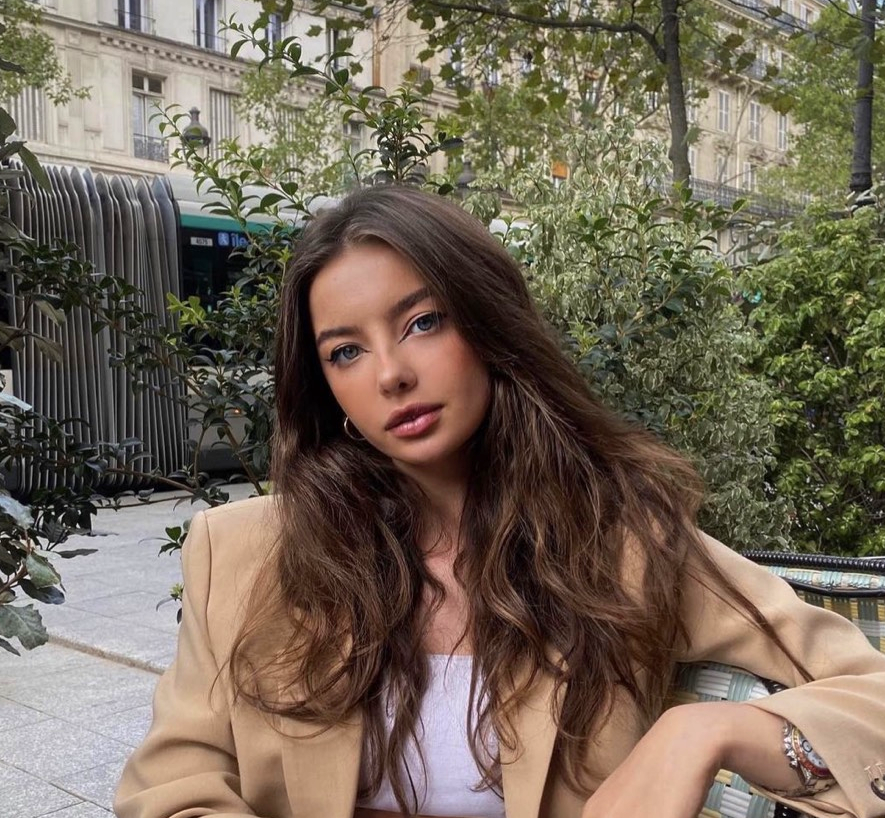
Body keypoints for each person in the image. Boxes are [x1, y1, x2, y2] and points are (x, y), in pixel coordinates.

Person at [115, 185, 885, 818]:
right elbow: (173, 784)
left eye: (422, 322)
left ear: (488, 328)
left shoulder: (621, 542)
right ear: (328, 390)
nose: (389, 374)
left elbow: (870, 692)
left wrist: (704, 732)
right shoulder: (241, 551)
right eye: (345, 351)